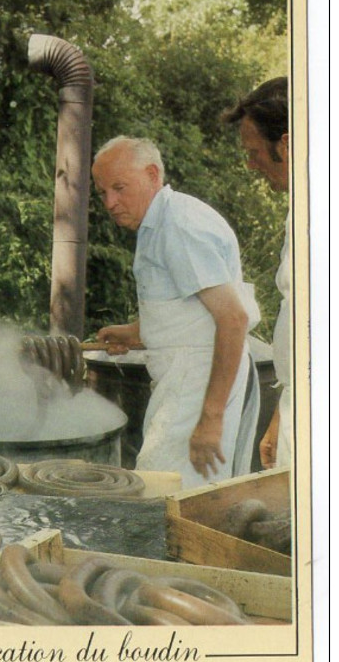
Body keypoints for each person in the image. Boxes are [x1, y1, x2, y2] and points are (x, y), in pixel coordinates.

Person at [92, 136, 260, 489]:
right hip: (186, 379)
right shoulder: (160, 222)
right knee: (170, 493)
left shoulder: (178, 226)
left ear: (152, 175)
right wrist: (135, 332)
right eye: (103, 192)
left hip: (198, 383)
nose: (110, 202)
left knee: (163, 494)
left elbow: (234, 319)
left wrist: (210, 418)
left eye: (119, 188)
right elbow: (189, 312)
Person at [221, 77, 290, 470]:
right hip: (300, 405)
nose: (250, 164)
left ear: (287, 144)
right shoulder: (301, 211)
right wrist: (283, 412)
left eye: (254, 152)